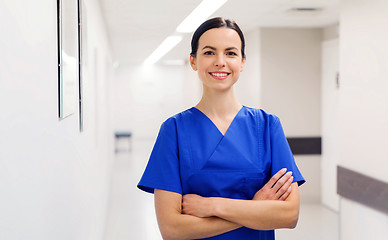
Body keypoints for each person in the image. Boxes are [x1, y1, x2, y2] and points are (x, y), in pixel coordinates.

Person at [137, 17, 305, 240]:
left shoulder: (267, 126)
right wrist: (255, 208)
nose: (220, 61)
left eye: (231, 53)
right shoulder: (174, 131)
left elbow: (289, 215)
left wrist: (212, 206)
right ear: (193, 61)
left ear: (242, 62)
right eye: (208, 52)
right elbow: (172, 229)